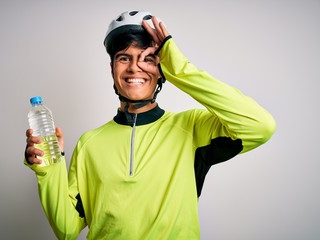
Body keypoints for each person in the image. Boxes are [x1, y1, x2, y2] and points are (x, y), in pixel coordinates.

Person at [24, 10, 276, 240]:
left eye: (147, 58)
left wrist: (179, 68)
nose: (135, 67)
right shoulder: (90, 143)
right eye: (124, 58)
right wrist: (49, 169)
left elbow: (259, 125)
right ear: (112, 68)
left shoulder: (192, 128)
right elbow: (67, 230)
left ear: (161, 68)